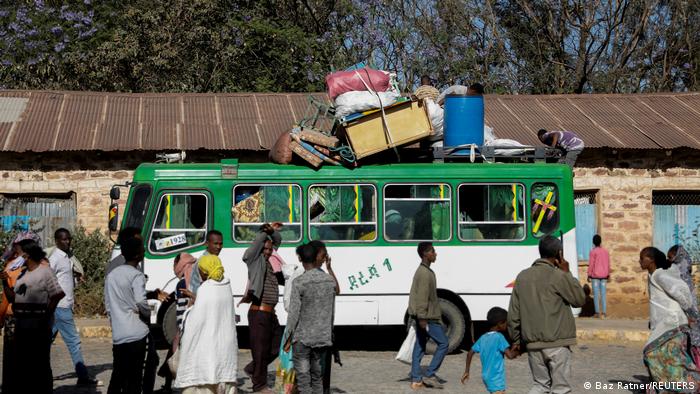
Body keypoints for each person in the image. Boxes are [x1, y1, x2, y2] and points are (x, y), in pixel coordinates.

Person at [508, 235, 585, 394]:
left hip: (533, 344)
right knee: (561, 388)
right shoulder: (559, 276)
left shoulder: (522, 276)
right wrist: (568, 272)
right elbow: (579, 300)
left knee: (539, 386)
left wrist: (516, 340)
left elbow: (514, 314)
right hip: (557, 342)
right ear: (559, 254)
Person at [105, 236, 167, 394]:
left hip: (119, 334)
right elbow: (140, 301)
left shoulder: (112, 275)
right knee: (136, 376)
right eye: (142, 248)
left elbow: (109, 305)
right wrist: (147, 314)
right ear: (138, 254)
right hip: (137, 334)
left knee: (118, 375)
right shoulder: (136, 275)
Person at [1, 240, 65, 394]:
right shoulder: (22, 274)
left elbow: (57, 295)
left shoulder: (45, 272)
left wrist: (45, 318)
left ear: (27, 255)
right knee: (24, 365)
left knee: (40, 365)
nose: (16, 256)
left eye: (19, 253)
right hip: (22, 326)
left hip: (39, 327)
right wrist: (4, 281)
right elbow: (13, 298)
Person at [175, 255, 238, 394]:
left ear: (204, 271)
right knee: (222, 379)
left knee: (207, 380)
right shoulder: (226, 286)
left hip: (209, 348)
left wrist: (187, 313)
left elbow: (195, 321)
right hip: (225, 347)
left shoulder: (205, 289)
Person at [640, 247, 700, 388]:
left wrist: (688, 309)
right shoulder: (652, 276)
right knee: (667, 359)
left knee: (653, 354)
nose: (640, 261)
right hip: (664, 324)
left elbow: (682, 291)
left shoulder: (660, 276)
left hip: (674, 323)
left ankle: (690, 385)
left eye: (643, 258)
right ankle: (667, 386)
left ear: (651, 260)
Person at [48, 228, 101, 386]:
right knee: (74, 342)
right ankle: (83, 377)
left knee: (45, 342)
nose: (67, 242)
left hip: (62, 307)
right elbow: (48, 279)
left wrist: (76, 280)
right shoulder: (56, 258)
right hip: (60, 307)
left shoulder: (68, 257)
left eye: (69, 239)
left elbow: (64, 280)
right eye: (63, 239)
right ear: (56, 240)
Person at [284, 242, 337, 394]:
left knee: (303, 379)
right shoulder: (329, 281)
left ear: (300, 259)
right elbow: (331, 312)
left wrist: (288, 338)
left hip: (302, 339)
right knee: (317, 377)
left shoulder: (299, 282)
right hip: (322, 337)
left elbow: (294, 314)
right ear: (316, 258)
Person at [242, 223, 285, 393]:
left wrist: (272, 232)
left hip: (270, 314)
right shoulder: (255, 261)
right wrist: (262, 233)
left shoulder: (271, 262)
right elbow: (250, 252)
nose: (268, 251)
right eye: (265, 249)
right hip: (258, 312)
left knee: (277, 347)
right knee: (260, 352)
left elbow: (278, 240)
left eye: (269, 249)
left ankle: (253, 369)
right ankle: (259, 385)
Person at [0, 231, 41, 393]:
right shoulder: (36, 264)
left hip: (17, 316)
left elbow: (7, 297)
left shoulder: (14, 265)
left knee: (14, 357)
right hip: (23, 316)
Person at [408, 242, 448, 390]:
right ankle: (430, 374)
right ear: (425, 254)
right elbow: (422, 298)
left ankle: (416, 379)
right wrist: (423, 318)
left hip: (424, 316)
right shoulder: (425, 273)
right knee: (444, 344)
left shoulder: (424, 271)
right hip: (428, 318)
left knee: (419, 346)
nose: (435, 254)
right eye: (433, 251)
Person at [157, 252, 197, 393]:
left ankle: (175, 385)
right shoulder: (198, 277)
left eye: (174, 264)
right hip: (198, 326)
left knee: (176, 355)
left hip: (187, 327)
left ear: (180, 264)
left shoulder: (182, 283)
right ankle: (168, 384)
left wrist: (180, 330)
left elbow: (181, 310)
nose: (174, 268)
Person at [307, 240, 341, 394]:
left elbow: (337, 290)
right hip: (314, 332)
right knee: (316, 370)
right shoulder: (307, 275)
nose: (325, 257)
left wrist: (329, 268)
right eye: (323, 254)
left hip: (326, 331)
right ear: (315, 256)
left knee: (324, 370)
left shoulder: (324, 274)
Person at [461, 307, 519, 393]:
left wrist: (467, 371)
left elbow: (469, 353)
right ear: (500, 323)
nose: (507, 325)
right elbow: (510, 355)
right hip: (496, 379)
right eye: (506, 322)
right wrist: (518, 351)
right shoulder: (499, 337)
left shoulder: (483, 337)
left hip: (486, 377)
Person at [668, 245, 700, 350]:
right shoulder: (678, 275)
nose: (669, 260)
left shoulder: (682, 277)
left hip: (688, 314)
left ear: (678, 257)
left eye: (671, 257)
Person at [587, 234, 610, 319]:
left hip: (595, 276)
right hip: (604, 275)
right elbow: (608, 263)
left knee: (596, 294)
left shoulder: (593, 252)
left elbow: (591, 264)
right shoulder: (605, 251)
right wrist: (608, 274)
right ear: (600, 242)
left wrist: (589, 274)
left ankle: (597, 312)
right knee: (603, 294)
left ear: (593, 242)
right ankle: (604, 313)